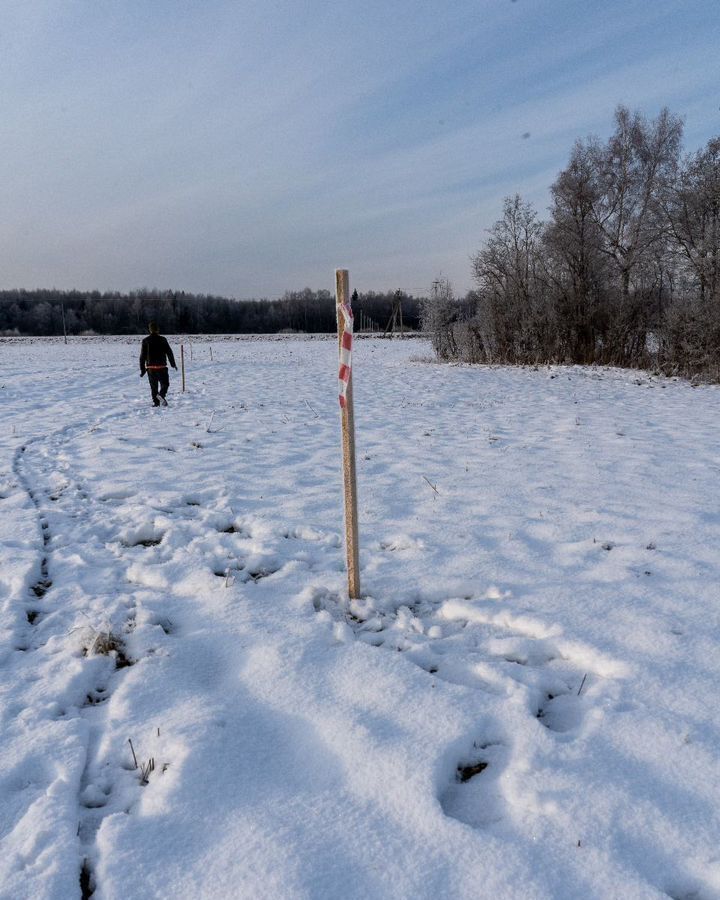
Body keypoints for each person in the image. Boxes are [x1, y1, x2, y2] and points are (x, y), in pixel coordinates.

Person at [139, 322, 177, 406]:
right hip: (162, 367)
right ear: (157, 329)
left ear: (150, 330)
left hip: (151, 368)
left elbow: (142, 356)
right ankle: (161, 395)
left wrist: (142, 370)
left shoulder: (145, 341)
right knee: (165, 384)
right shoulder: (163, 339)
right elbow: (169, 352)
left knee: (154, 387)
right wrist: (173, 364)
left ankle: (156, 403)